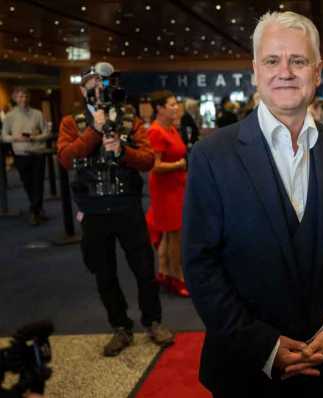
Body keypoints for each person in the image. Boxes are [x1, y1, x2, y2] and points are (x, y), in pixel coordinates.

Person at [182, 11, 323, 397]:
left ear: (317, 72)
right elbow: (200, 264)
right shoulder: (211, 155)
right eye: (272, 60)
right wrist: (261, 345)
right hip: (245, 368)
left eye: (298, 61)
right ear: (255, 70)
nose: (285, 71)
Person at [57, 66, 174, 357]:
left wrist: (122, 151)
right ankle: (120, 326)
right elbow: (66, 158)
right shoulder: (72, 122)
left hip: (127, 207)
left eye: (102, 83)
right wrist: (93, 132)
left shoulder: (129, 120)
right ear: (83, 90)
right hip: (94, 212)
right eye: (91, 85)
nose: (97, 89)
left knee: (145, 270)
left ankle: (153, 321)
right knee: (104, 274)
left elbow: (148, 160)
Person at [145, 90, 189, 297]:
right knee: (174, 235)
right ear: (159, 109)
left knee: (168, 235)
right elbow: (155, 166)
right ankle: (176, 276)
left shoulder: (170, 129)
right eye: (171, 105)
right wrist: (180, 164)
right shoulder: (156, 131)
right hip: (165, 190)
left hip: (176, 186)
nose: (176, 107)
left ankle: (163, 272)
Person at [1, 87, 50, 225]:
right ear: (15, 98)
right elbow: (4, 136)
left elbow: (46, 132)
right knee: (28, 183)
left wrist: (36, 137)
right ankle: (37, 209)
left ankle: (34, 211)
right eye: (20, 97)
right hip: (21, 153)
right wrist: (15, 138)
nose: (24, 99)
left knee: (38, 182)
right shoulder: (10, 116)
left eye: (26, 96)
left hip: (38, 151)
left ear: (29, 97)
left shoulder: (38, 114)